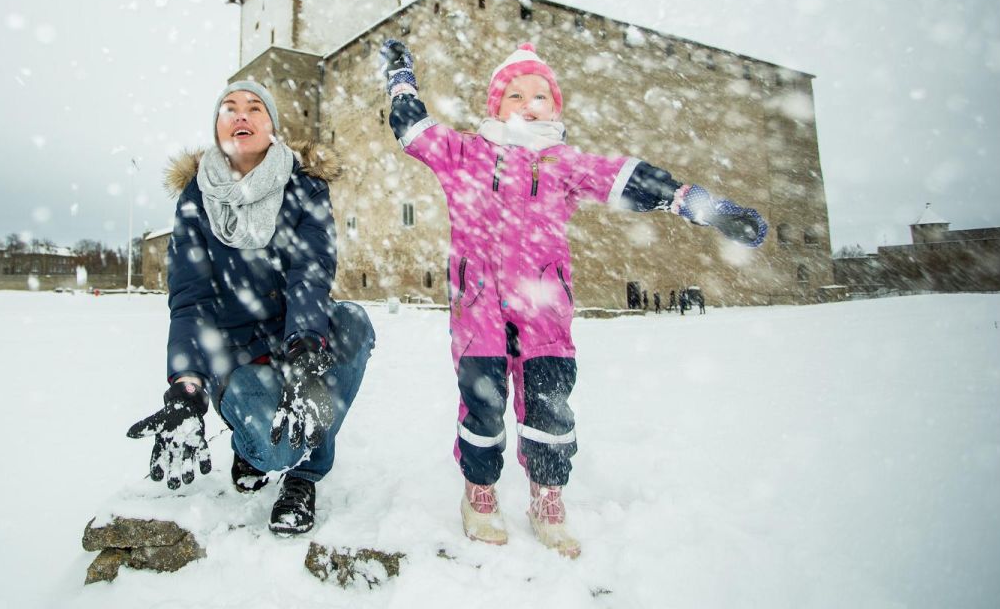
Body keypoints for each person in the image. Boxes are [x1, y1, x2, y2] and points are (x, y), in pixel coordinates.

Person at [380, 40, 767, 557]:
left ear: (556, 108)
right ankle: (480, 490)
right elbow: (414, 131)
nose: (528, 103)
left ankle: (548, 493)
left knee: (550, 402)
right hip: (478, 305)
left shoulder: (565, 164)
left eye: (541, 95)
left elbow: (631, 178)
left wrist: (704, 206)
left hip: (544, 308)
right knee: (483, 403)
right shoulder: (467, 154)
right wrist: (401, 78)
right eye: (514, 94)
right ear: (495, 105)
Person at [126, 81, 374, 536]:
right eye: (230, 108)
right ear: (217, 126)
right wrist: (186, 387)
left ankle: (304, 476)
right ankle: (251, 447)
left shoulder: (306, 190)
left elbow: (310, 273)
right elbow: (190, 300)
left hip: (297, 340)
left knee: (354, 322)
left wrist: (304, 352)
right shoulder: (196, 201)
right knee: (273, 448)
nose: (242, 115)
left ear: (273, 127)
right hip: (236, 354)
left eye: (255, 108)